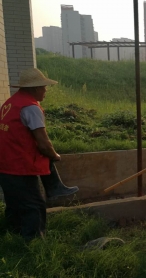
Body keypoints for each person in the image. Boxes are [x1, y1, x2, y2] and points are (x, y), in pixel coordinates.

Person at [0, 68, 78, 241]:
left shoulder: (10, 103)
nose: (45, 90)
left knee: (14, 205)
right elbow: (43, 143)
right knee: (33, 206)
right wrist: (55, 155)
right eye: (43, 87)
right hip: (20, 166)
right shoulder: (31, 108)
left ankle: (13, 237)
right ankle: (33, 244)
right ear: (34, 88)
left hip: (5, 165)